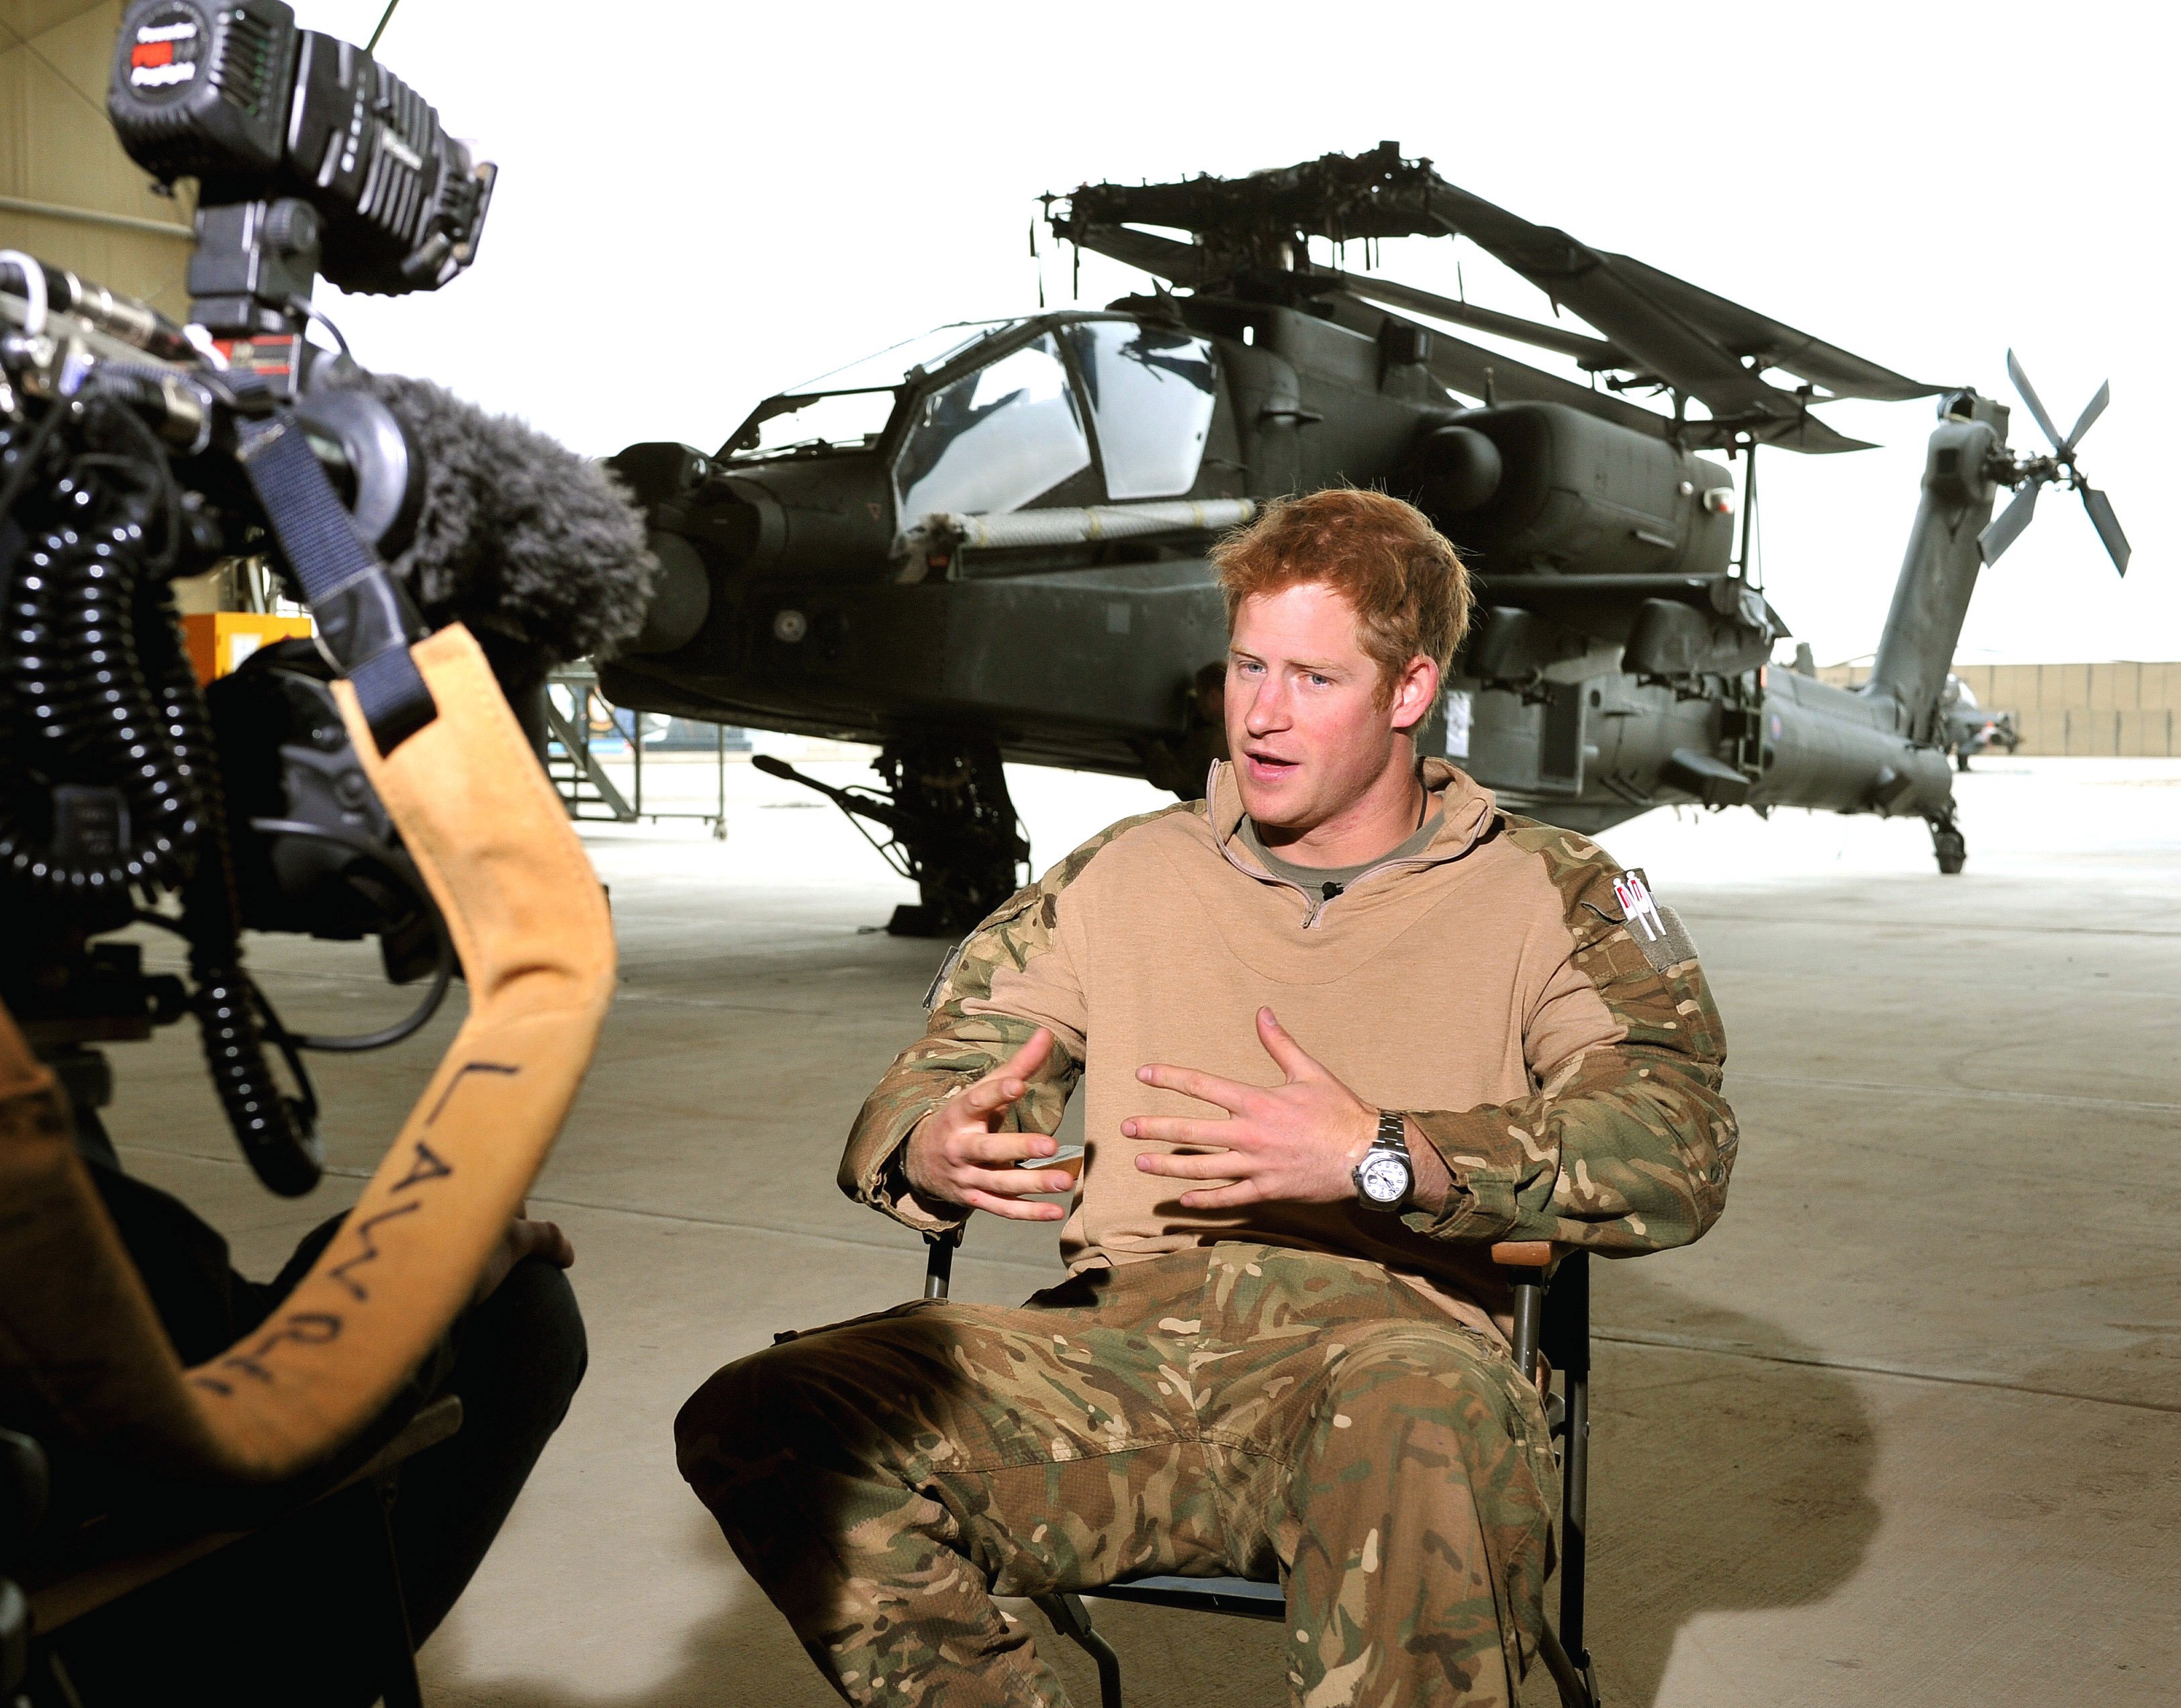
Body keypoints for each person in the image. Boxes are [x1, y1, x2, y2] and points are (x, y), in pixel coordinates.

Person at [675, 488, 1737, 1707]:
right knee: (768, 1414)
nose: (1264, 715)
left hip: (1388, 1357)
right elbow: (950, 1063)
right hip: (1118, 1357)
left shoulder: (1557, 897)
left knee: (1418, 1407)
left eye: (1313, 680)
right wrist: (935, 1145)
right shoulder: (1127, 873)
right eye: (1246, 666)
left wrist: (1385, 1154)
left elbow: (1677, 1142)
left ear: (1409, 691)